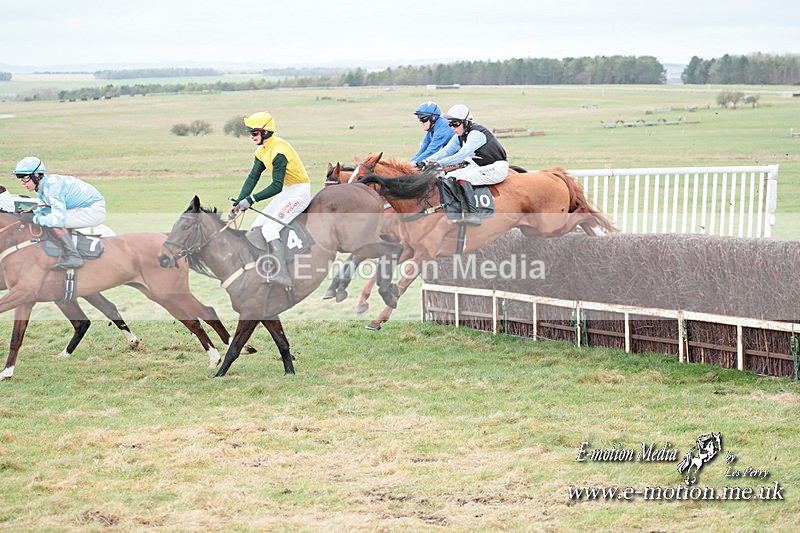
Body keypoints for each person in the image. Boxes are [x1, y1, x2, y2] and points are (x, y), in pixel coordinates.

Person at [231, 111, 311, 287]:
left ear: (265, 132)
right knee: (257, 227)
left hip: (299, 192)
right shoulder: (261, 150)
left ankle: (282, 274)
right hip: (288, 192)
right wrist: (239, 201)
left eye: (254, 133)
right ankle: (266, 267)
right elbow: (253, 177)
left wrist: (250, 200)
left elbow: (276, 186)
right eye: (250, 133)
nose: (251, 137)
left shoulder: (279, 151)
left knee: (270, 230)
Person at [13, 156, 106, 270]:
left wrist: (34, 218)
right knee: (47, 218)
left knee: (54, 221)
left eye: (25, 178)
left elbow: (57, 220)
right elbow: (44, 209)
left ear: (36, 175)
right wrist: (33, 213)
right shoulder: (44, 187)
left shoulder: (53, 187)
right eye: (21, 179)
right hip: (83, 207)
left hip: (93, 210)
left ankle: (74, 256)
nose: (23, 182)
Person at [425, 104, 509, 225]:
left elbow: (461, 155)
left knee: (462, 178)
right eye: (450, 124)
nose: (452, 127)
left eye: (455, 124)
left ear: (466, 122)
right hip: (480, 166)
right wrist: (426, 161)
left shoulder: (476, 134)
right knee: (447, 177)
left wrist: (438, 163)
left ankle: (473, 215)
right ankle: (456, 209)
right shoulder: (459, 135)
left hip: (496, 168)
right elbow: (446, 151)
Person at [409, 101, 454, 166]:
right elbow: (423, 149)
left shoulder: (443, 128)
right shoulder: (432, 128)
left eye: (423, 119)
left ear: (433, 118)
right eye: (419, 118)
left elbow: (432, 151)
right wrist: (409, 163)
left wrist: (415, 163)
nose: (421, 122)